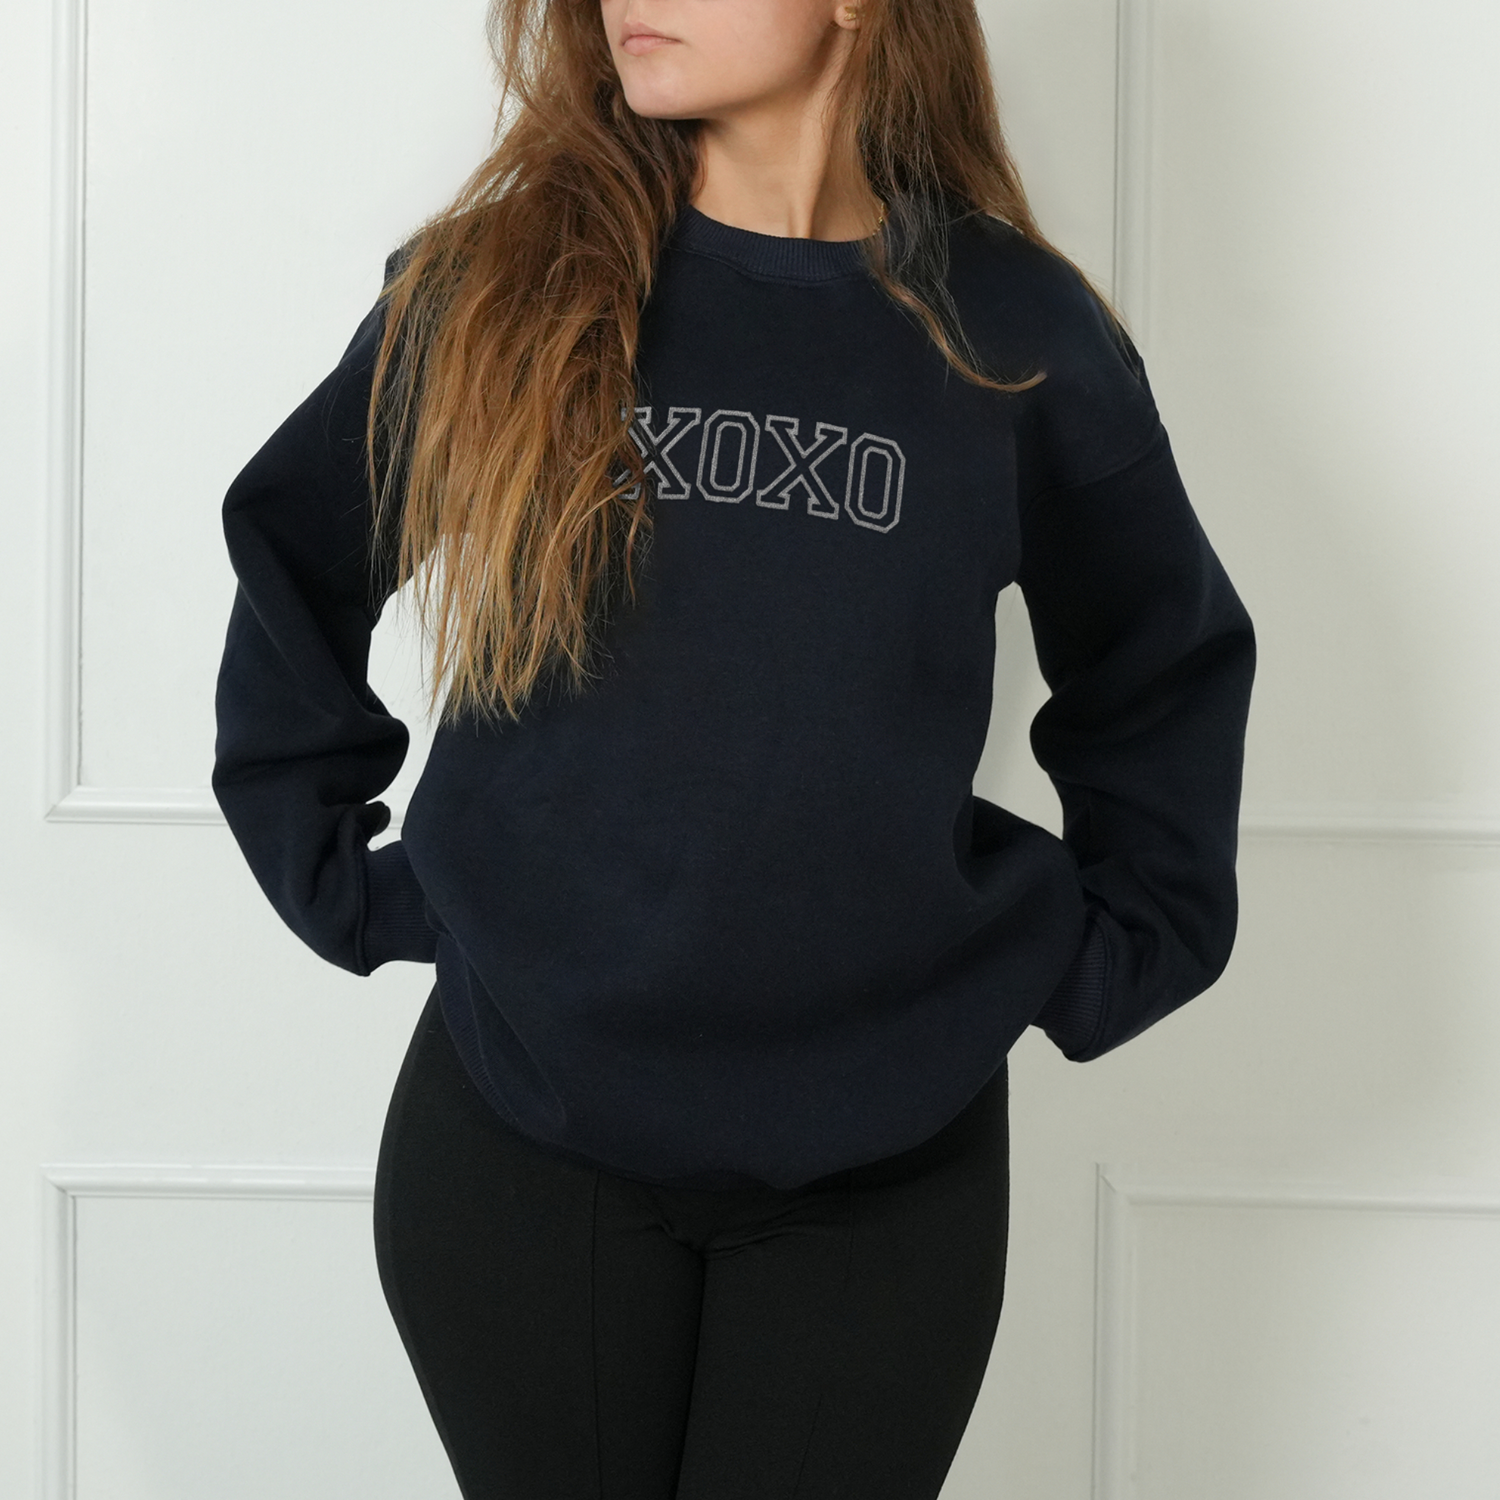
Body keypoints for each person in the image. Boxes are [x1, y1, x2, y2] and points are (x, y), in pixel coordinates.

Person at [211, 0, 1255, 1492]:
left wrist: (1111, 951)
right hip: (524, 1146)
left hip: (889, 1164)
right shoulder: (501, 284)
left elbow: (1161, 660)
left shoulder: (1016, 336)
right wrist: (342, 875)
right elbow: (296, 554)